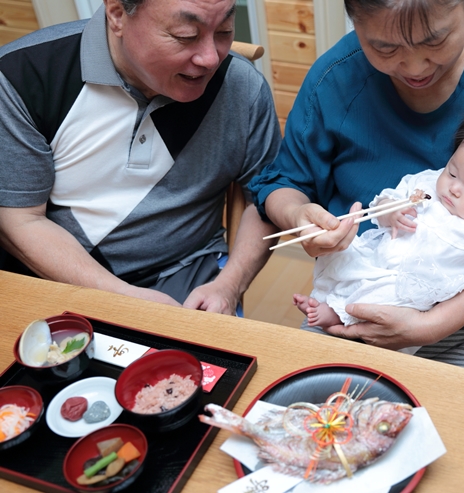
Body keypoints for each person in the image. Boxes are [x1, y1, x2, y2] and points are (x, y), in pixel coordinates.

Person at [249, 0, 464, 380]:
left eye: (436, 41)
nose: (415, 67)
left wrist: (432, 325)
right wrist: (298, 217)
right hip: (355, 307)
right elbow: (285, 181)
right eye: (385, 48)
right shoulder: (335, 77)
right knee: (311, 423)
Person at [0, 0, 281, 315]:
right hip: (56, 281)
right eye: (186, 35)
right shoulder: (21, 76)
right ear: (117, 14)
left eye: (225, 31)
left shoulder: (241, 87)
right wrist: (120, 297)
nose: (210, 58)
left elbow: (266, 198)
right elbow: (20, 219)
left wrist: (229, 285)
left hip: (186, 281)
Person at [294, 106, 464, 355]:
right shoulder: (427, 183)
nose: (454, 188)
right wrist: (391, 212)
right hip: (380, 258)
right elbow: (383, 204)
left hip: (411, 291)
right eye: (452, 172)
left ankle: (338, 316)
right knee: (347, 260)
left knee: (380, 300)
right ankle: (331, 308)